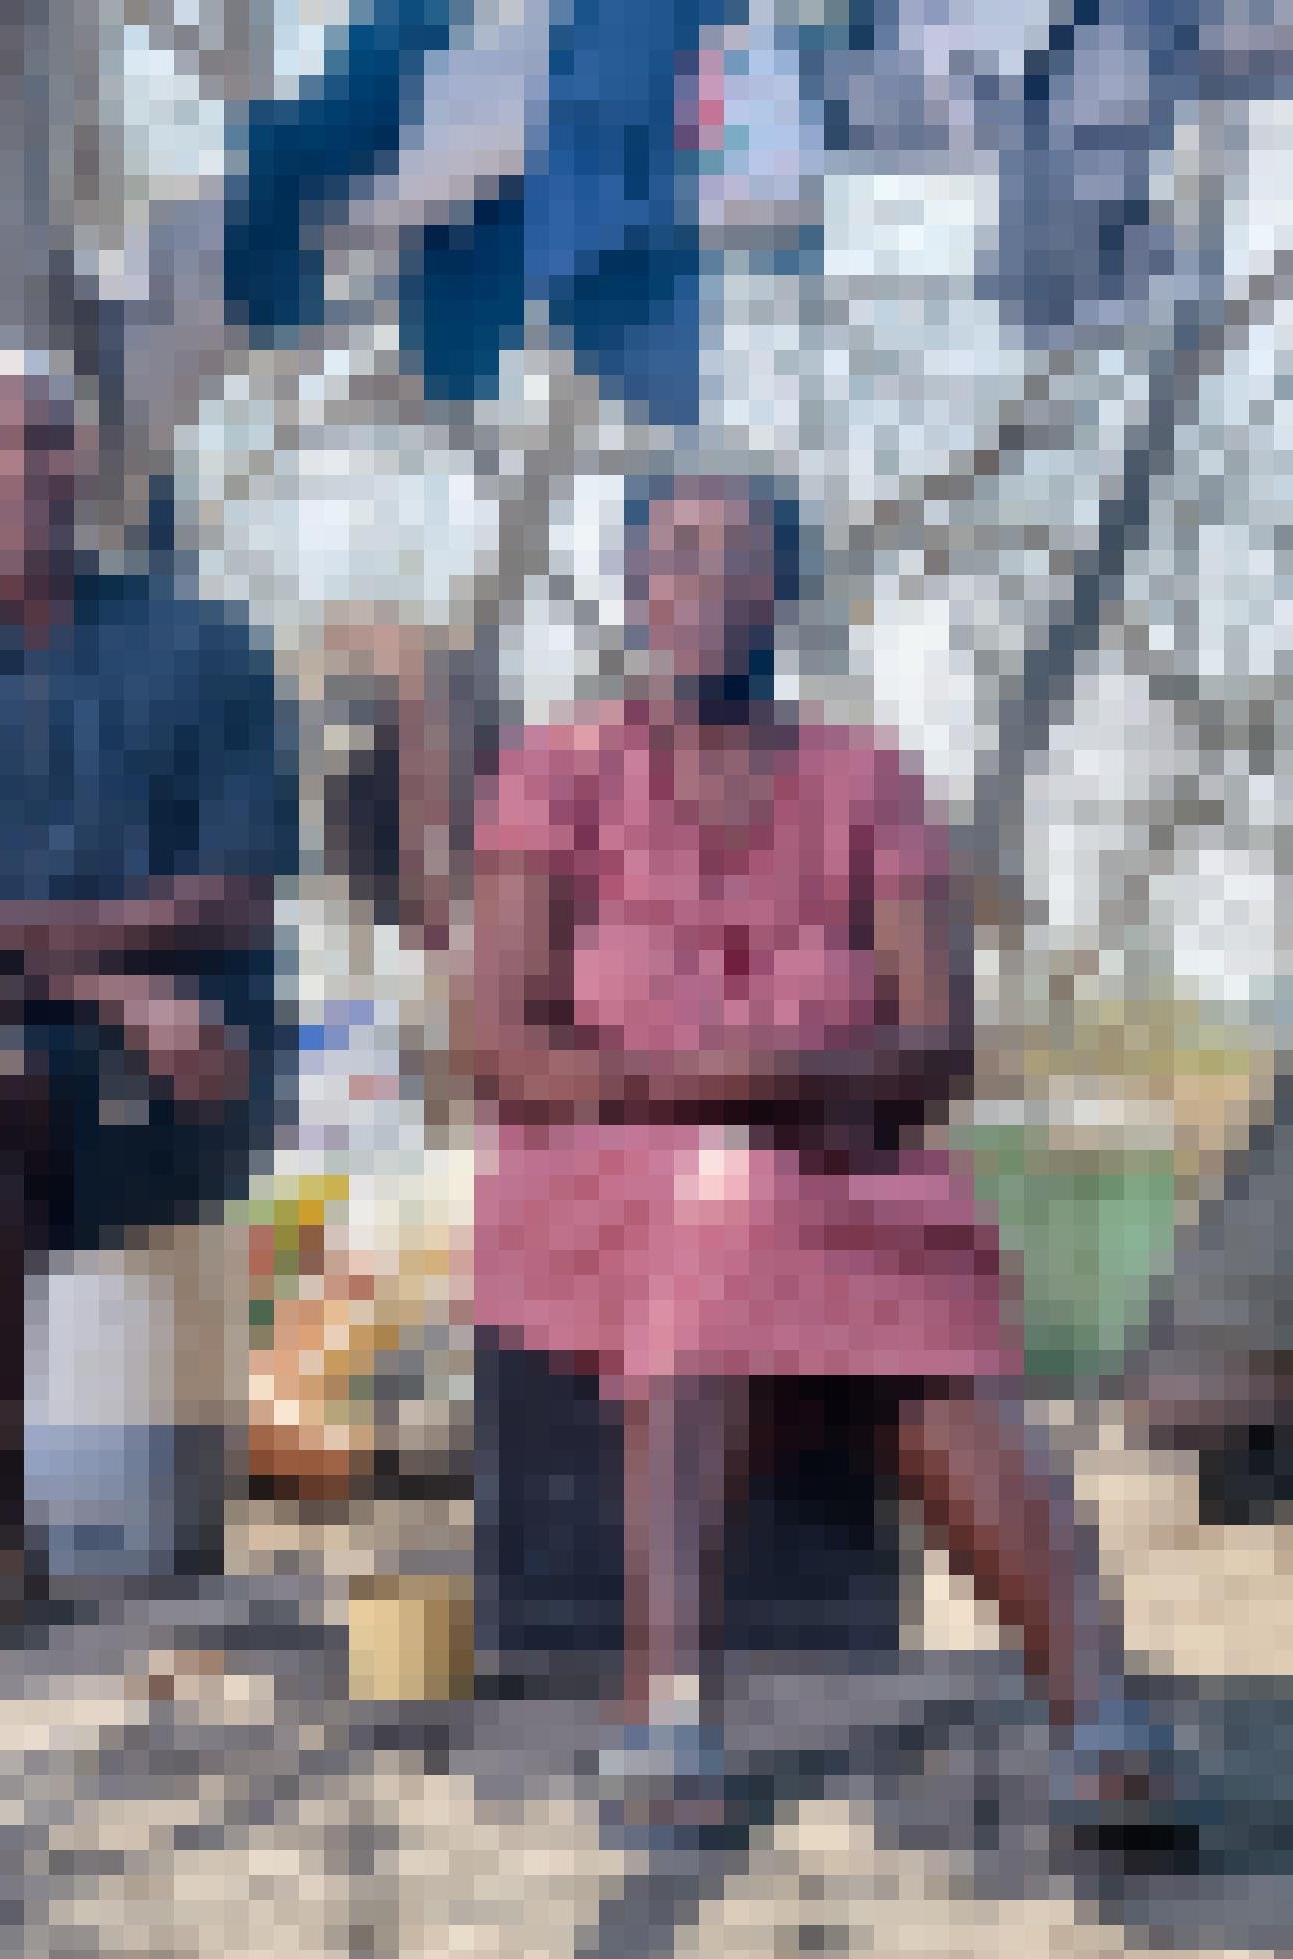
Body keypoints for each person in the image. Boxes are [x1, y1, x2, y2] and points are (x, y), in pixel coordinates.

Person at [457, 472, 1188, 1848]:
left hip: (841, 1168)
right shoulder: (555, 770)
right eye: (675, 554)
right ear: (632, 583)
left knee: (922, 1352)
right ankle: (666, 1692)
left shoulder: (866, 778)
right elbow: (496, 1042)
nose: (707, 581)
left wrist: (781, 1088)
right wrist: (689, 1093)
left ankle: (1096, 1713)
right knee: (711, 1198)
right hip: (605, 1169)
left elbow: (937, 1040)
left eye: (741, 555)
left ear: (782, 589)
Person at [0, 351, 297, 1614]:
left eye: (48, 439)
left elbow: (234, 897)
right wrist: (118, 985)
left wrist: (102, 977)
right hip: (36, 1052)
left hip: (206, 1049)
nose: (23, 467)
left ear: (86, 462)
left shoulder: (204, 647)